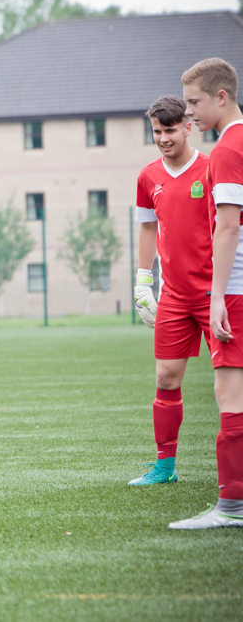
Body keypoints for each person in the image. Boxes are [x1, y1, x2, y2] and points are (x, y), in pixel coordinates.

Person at [170, 57, 243, 529]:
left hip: (235, 288)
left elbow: (229, 224)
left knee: (229, 392)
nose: (188, 112)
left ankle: (231, 508)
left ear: (221, 97)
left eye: (194, 102)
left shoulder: (227, 149)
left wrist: (216, 295)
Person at [129, 95, 214, 486]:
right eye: (157, 131)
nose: (163, 138)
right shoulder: (148, 177)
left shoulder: (213, 170)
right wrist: (144, 280)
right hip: (175, 296)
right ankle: (164, 467)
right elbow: (148, 227)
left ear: (188, 127)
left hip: (218, 293)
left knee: (230, 384)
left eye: (170, 130)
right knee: (165, 377)